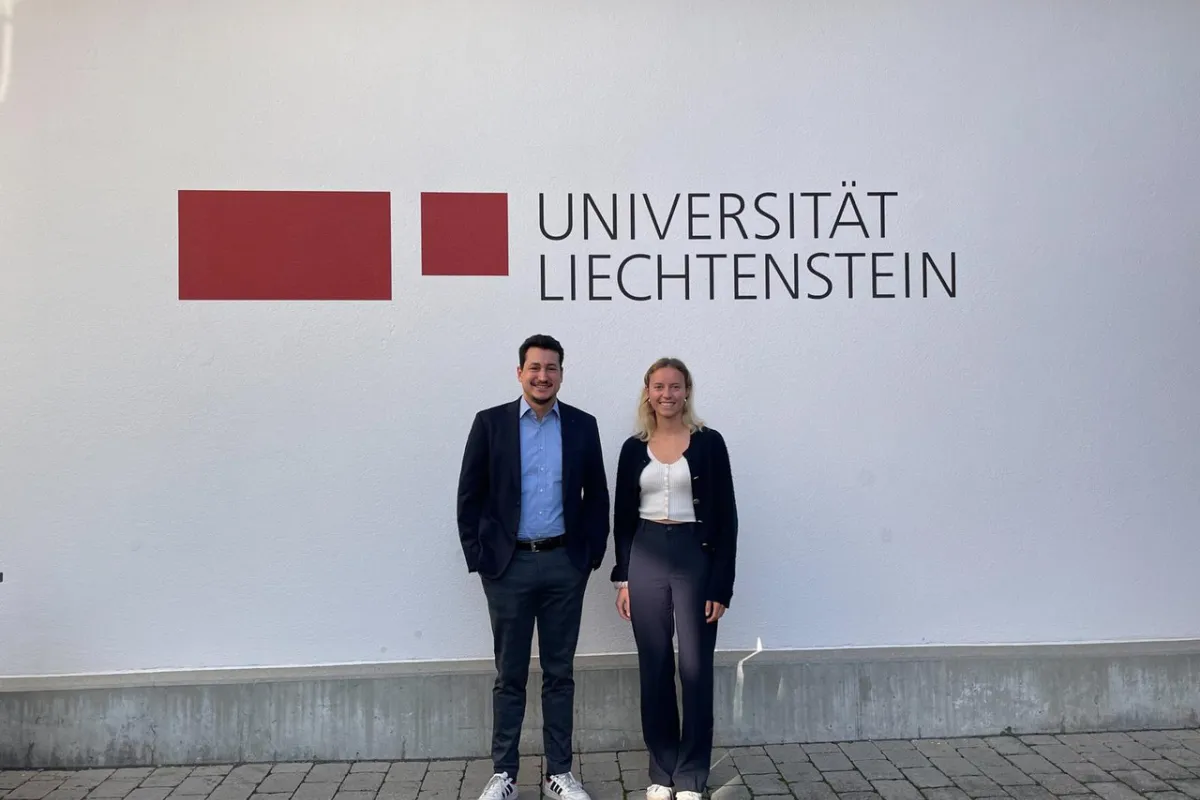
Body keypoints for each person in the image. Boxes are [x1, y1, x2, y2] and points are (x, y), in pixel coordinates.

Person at [457, 334, 610, 800]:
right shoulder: (491, 424)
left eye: (552, 368)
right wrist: (481, 558)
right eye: (534, 368)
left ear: (562, 373)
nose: (543, 376)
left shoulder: (583, 426)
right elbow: (469, 495)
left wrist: (589, 557)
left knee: (561, 673)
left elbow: (597, 497)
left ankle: (559, 773)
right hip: (509, 567)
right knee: (510, 675)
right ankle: (504, 774)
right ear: (519, 372)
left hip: (565, 565)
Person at [609, 357, 739, 800]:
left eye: (675, 386)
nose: (667, 394)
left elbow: (727, 518)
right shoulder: (632, 448)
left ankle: (691, 776)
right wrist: (622, 579)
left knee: (695, 668)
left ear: (687, 391)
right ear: (647, 391)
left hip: (694, 558)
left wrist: (721, 585)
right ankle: (661, 772)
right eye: (659, 386)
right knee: (656, 667)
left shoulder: (710, 443)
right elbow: (622, 519)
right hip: (645, 558)